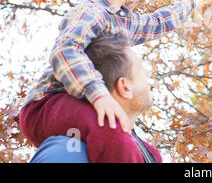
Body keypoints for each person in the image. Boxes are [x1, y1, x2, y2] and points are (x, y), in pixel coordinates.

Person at [19, 0, 202, 162]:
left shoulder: (122, 22)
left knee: (150, 153)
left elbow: (157, 22)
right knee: (112, 130)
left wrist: (191, 2)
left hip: (75, 106)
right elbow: (65, 50)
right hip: (47, 104)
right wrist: (99, 95)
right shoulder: (90, 11)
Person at [26, 33, 162, 163]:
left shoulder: (150, 154)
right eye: (141, 69)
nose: (148, 73)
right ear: (125, 87)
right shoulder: (66, 152)